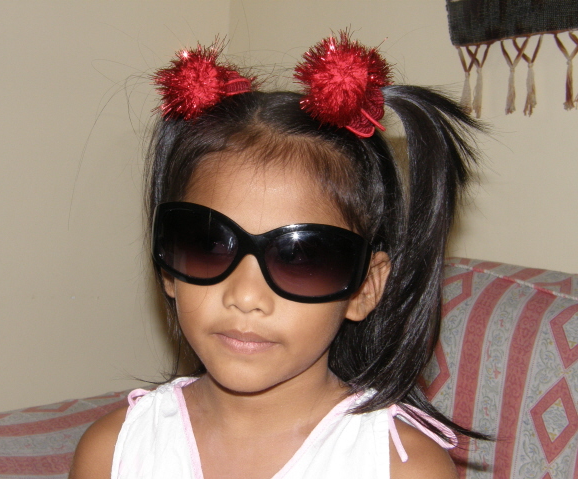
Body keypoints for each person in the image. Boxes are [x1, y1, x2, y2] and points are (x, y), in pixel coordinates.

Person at [69, 31, 486, 479]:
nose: (246, 296)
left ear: (364, 288)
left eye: (302, 257)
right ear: (168, 263)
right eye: (209, 245)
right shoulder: (112, 453)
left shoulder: (402, 468)